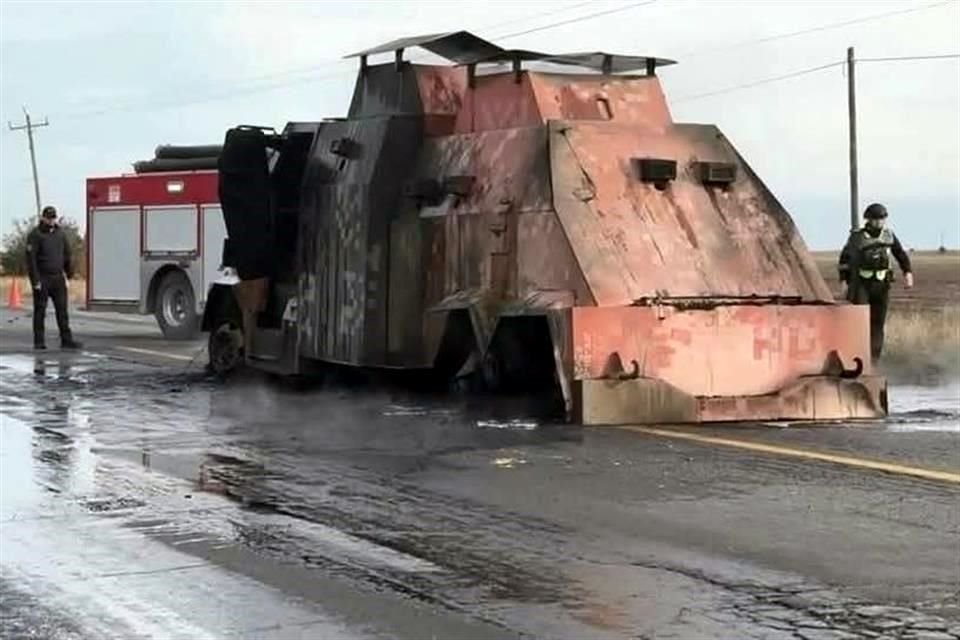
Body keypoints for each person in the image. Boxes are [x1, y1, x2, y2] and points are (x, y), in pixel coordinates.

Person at [838, 202, 913, 361]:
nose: (879, 222)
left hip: (882, 285)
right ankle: (856, 357)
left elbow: (900, 254)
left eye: (882, 219)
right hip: (862, 285)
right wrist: (844, 281)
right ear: (868, 220)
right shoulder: (857, 237)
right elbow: (844, 259)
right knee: (860, 322)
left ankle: (874, 360)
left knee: (877, 324)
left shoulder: (889, 235)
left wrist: (907, 273)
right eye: (875, 219)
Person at [25, 206, 82, 350]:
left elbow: (67, 254)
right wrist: (35, 280)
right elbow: (31, 260)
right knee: (40, 311)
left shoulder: (60, 234)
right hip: (43, 278)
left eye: (53, 218)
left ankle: (66, 340)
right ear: (43, 218)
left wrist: (68, 274)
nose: (51, 221)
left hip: (58, 278)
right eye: (49, 218)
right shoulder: (35, 235)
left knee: (62, 311)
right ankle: (39, 341)